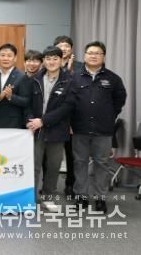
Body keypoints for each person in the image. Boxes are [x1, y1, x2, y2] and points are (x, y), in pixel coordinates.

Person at [41, 41, 127, 213]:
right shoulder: (73, 77)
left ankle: (100, 198)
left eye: (97, 53)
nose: (93, 56)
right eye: (90, 53)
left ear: (103, 56)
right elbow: (67, 102)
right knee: (79, 163)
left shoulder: (113, 78)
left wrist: (109, 116)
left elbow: (120, 100)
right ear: (85, 55)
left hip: (103, 130)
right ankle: (81, 197)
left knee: (102, 164)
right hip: (78, 128)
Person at [25, 46, 72, 211]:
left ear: (61, 60)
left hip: (57, 130)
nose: (51, 62)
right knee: (34, 166)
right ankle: (30, 198)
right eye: (48, 59)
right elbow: (27, 104)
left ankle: (48, 197)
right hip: (35, 129)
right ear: (43, 61)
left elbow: (68, 106)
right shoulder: (34, 79)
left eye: (55, 59)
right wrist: (30, 121)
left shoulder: (69, 80)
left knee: (53, 166)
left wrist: (43, 120)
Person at [53, 35, 82, 196]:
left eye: (66, 46)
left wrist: (69, 71)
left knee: (72, 155)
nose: (63, 48)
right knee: (50, 156)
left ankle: (70, 184)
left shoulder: (80, 67)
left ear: (71, 49)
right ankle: (48, 186)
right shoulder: (50, 64)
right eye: (60, 46)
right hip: (53, 117)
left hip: (72, 118)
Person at [0, 43, 32, 128]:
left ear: (15, 58)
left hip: (12, 123)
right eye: (3, 55)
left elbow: (26, 101)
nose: (5, 58)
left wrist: (11, 97)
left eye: (9, 56)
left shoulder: (22, 77)